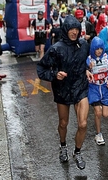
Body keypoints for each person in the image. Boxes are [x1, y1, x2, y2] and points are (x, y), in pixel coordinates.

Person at [37, 15, 91, 170]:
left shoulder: (83, 45)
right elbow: (41, 69)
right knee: (63, 123)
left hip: (80, 87)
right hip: (62, 89)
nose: (74, 32)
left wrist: (87, 69)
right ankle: (63, 146)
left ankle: (78, 152)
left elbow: (86, 60)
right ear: (65, 30)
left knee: (83, 123)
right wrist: (55, 75)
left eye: (77, 29)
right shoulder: (56, 48)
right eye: (71, 29)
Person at [86, 37, 108, 145]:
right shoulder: (88, 59)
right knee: (98, 112)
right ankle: (98, 134)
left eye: (101, 48)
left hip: (105, 88)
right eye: (96, 49)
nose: (99, 51)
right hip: (94, 88)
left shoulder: (107, 58)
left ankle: (99, 109)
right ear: (93, 49)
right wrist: (87, 68)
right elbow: (80, 70)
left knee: (105, 114)